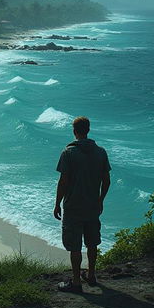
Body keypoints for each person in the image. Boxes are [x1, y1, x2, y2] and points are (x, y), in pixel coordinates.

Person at [53, 116, 111, 292]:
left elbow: (63, 181)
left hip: (73, 206)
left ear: (74, 131)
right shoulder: (100, 152)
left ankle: (76, 282)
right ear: (88, 130)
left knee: (75, 245)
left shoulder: (68, 153)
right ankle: (92, 275)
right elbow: (106, 180)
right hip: (92, 206)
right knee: (92, 242)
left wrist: (57, 204)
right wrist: (100, 200)